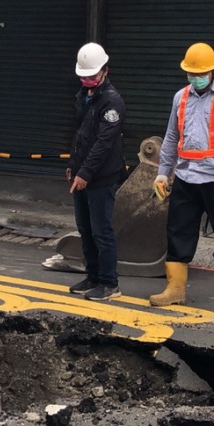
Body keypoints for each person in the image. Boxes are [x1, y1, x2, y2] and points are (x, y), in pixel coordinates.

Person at [150, 42, 214, 308]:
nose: (195, 78)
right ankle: (175, 289)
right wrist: (163, 173)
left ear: (213, 71)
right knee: (178, 231)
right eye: (191, 74)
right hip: (185, 176)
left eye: (200, 73)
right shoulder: (180, 97)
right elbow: (172, 136)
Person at [67, 43, 126, 302]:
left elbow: (104, 143)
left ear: (105, 71)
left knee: (102, 230)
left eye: (92, 76)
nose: (87, 80)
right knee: (85, 228)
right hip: (82, 173)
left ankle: (109, 282)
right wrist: (72, 165)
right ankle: (92, 275)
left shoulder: (112, 101)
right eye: (84, 76)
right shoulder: (83, 95)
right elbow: (79, 135)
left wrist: (85, 173)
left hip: (101, 177)